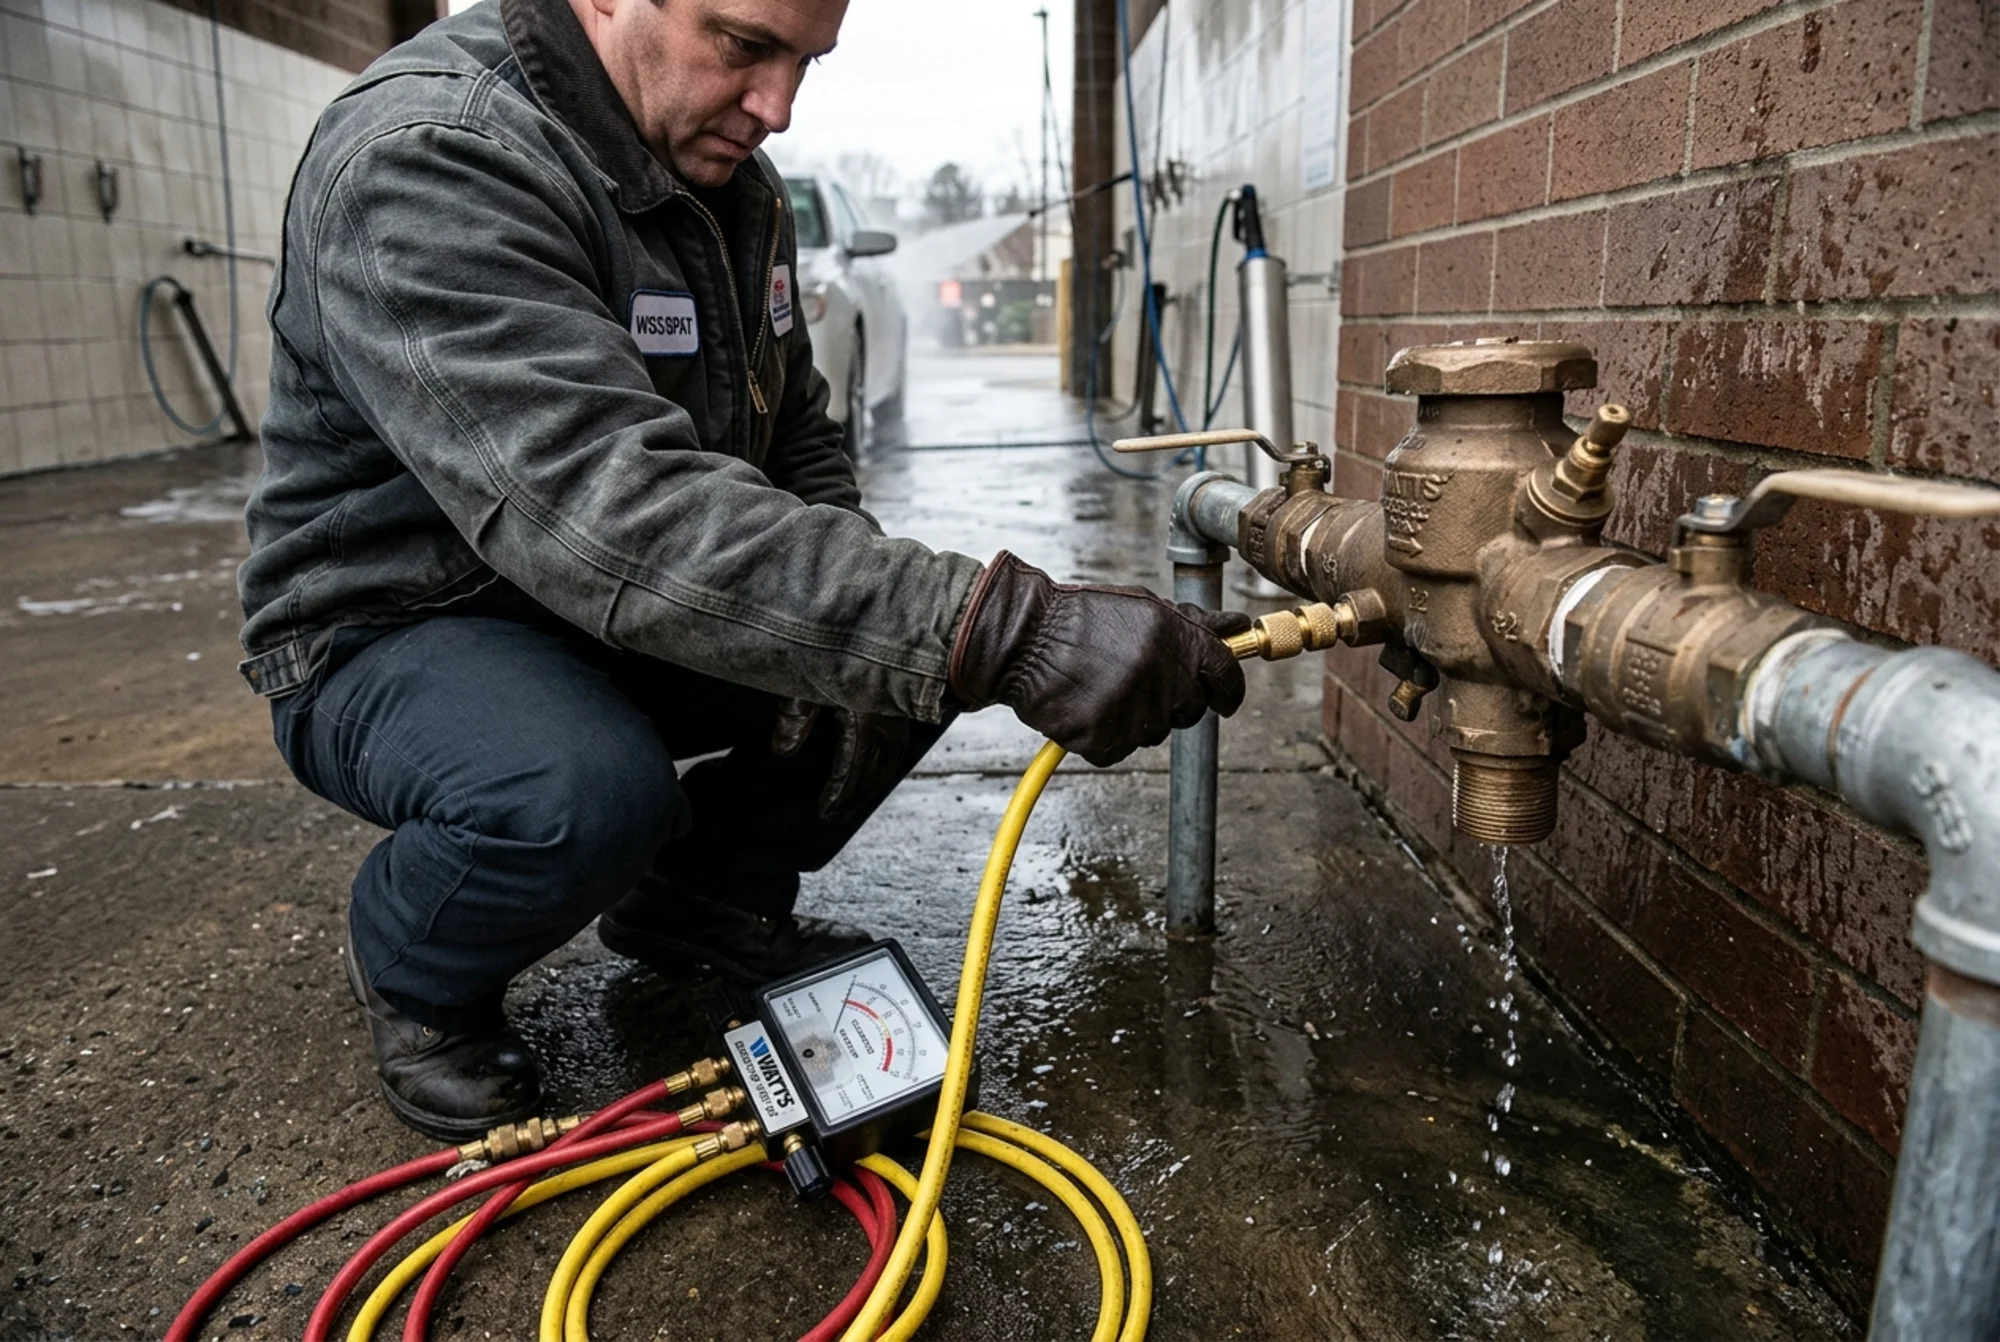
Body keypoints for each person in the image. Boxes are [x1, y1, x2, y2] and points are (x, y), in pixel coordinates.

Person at [236, 0, 1249, 1141]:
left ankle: (699, 900)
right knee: (580, 792)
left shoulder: (732, 186)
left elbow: (796, 433)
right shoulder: (430, 159)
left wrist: (873, 650)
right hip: (398, 623)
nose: (778, 107)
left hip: (590, 602)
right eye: (742, 45)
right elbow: (601, 511)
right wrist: (998, 626)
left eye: (805, 61)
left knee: (884, 660)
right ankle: (415, 963)